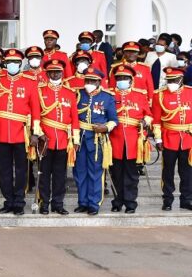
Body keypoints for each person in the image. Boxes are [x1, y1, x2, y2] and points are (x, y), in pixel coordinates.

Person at [0, 49, 42, 216]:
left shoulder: (30, 81)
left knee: (22, 170)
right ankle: (8, 201)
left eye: (16, 62)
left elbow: (35, 109)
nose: (12, 65)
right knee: (4, 170)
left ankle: (19, 201)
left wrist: (35, 132)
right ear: (5, 63)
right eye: (10, 62)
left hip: (22, 133)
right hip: (1, 132)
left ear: (20, 64)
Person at [37, 59, 79, 215]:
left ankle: (58, 203)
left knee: (60, 175)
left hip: (63, 140)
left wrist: (75, 139)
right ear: (47, 73)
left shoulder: (69, 93)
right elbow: (36, 115)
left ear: (62, 73)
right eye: (52, 72)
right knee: (44, 174)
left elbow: (74, 118)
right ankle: (44, 203)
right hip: (45, 139)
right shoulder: (40, 91)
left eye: (58, 71)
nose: (55, 74)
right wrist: (39, 134)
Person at [109, 64, 152, 214]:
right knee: (116, 173)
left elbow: (149, 114)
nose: (122, 80)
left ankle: (130, 203)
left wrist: (145, 121)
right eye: (119, 78)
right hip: (114, 139)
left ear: (131, 80)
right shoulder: (109, 95)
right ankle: (117, 201)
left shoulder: (139, 95)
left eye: (125, 78)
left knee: (132, 175)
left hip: (134, 140)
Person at [74, 70, 117, 216]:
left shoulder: (107, 97)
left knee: (95, 172)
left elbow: (113, 120)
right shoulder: (78, 94)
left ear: (99, 82)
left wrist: (105, 127)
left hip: (97, 139)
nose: (89, 84)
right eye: (87, 81)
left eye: (93, 81)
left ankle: (94, 203)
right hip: (79, 137)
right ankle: (83, 202)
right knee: (80, 172)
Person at [152, 67, 192, 211]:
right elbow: (156, 120)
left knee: (187, 172)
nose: (171, 83)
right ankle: (167, 199)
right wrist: (158, 139)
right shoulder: (159, 95)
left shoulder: (190, 92)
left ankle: (186, 200)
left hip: (188, 138)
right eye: (169, 80)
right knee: (167, 171)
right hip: (169, 138)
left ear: (181, 80)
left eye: (174, 80)